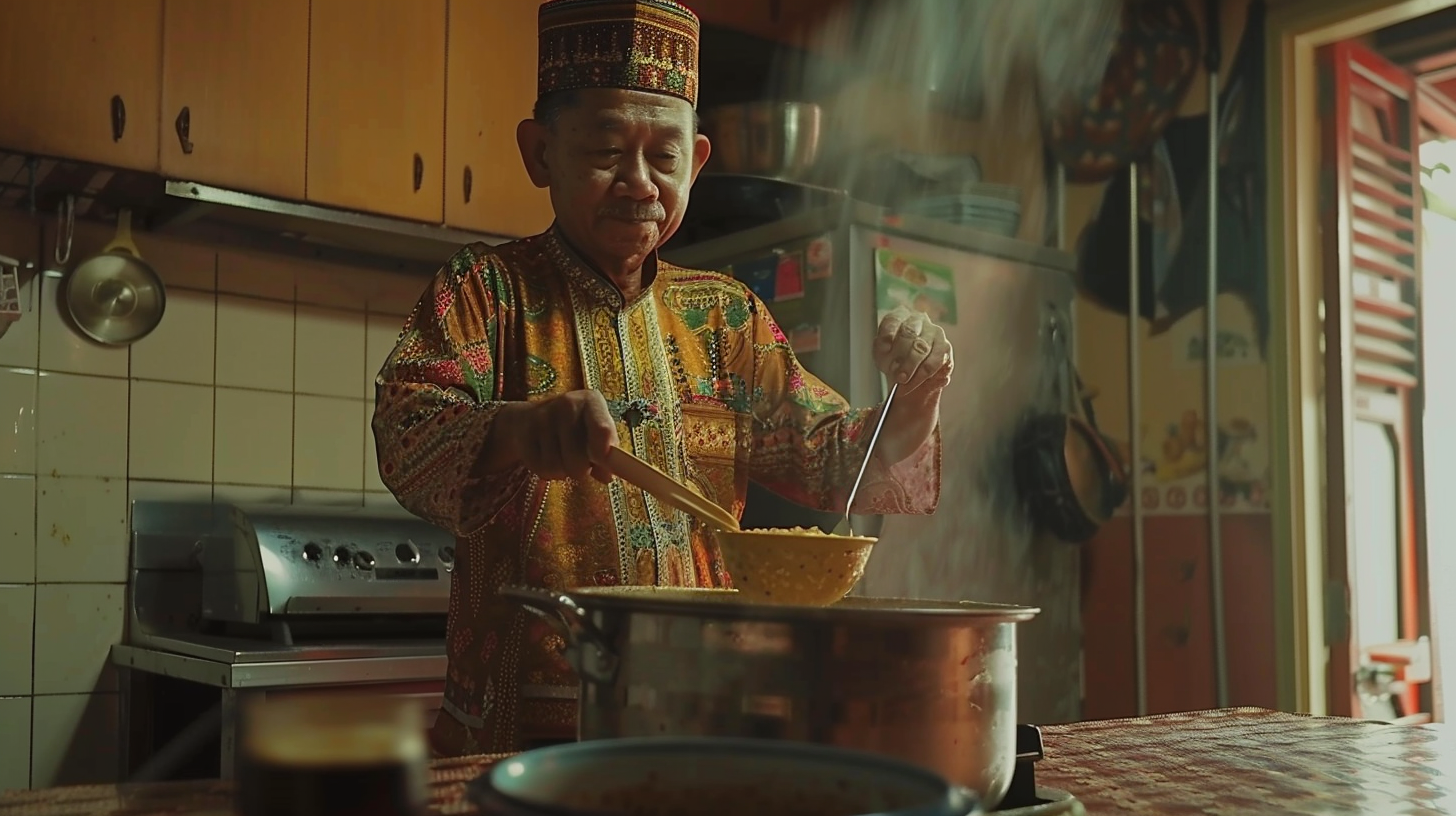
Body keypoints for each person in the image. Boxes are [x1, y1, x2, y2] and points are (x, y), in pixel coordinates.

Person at [371, 0, 953, 756]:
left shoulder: (727, 319)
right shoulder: (486, 292)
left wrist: (918, 399)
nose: (640, 183)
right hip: (519, 739)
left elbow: (841, 465)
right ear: (540, 152)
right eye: (607, 150)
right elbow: (406, 433)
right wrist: (518, 429)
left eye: (665, 157)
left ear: (698, 160)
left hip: (704, 719)